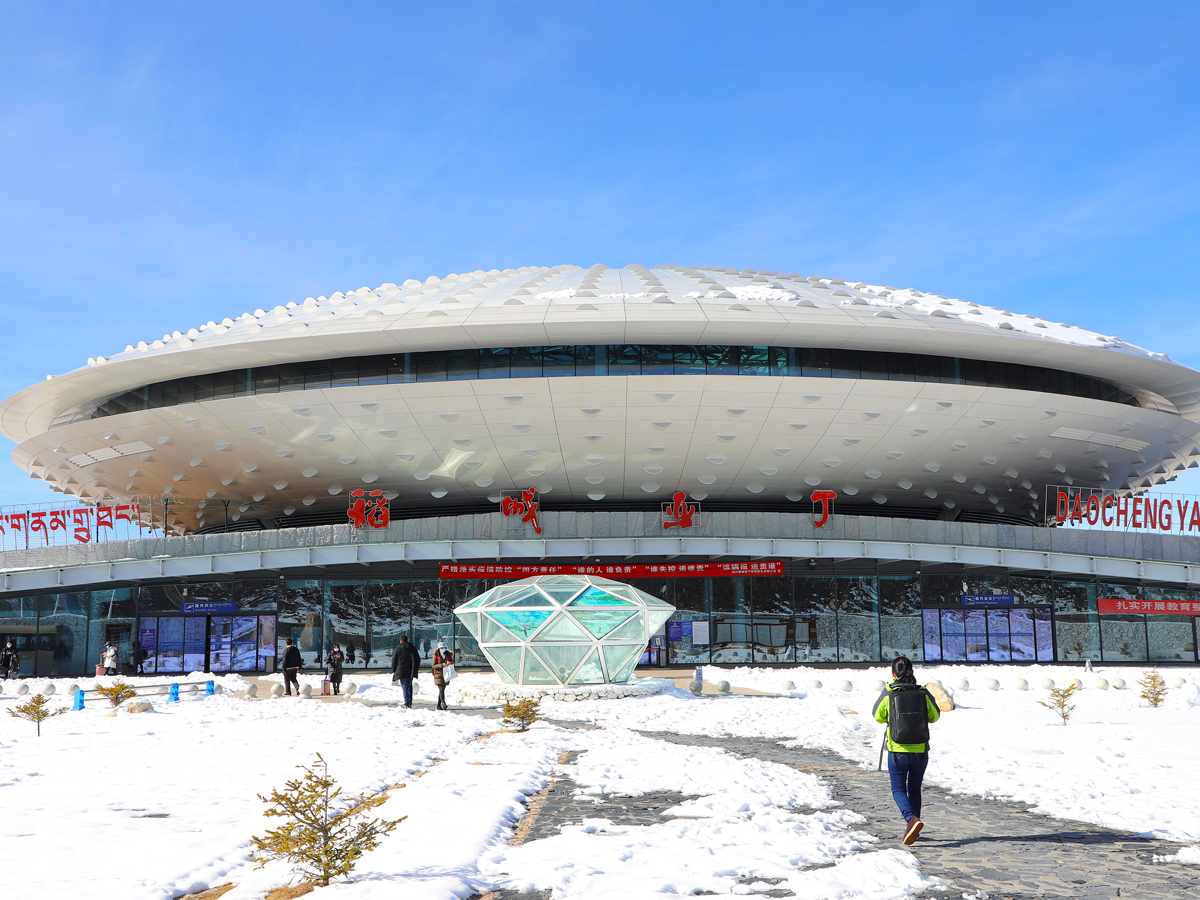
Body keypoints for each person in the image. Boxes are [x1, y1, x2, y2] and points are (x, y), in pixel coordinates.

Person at [872, 656, 940, 845]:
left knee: (898, 788)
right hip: (920, 750)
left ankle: (911, 819)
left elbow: (877, 716)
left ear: (893, 673)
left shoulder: (889, 692)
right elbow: (935, 716)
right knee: (915, 788)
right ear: (912, 671)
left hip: (897, 749)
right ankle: (914, 828)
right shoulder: (923, 692)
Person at [390, 635, 420, 708]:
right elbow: (418, 659)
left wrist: (394, 670)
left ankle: (407, 702)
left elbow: (394, 660)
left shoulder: (398, 648)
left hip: (401, 670)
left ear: (400, 640)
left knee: (405, 686)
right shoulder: (412, 648)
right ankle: (409, 701)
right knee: (409, 686)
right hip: (410, 669)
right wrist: (416, 668)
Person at [430, 640, 454, 710]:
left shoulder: (448, 655)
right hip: (438, 674)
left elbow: (453, 661)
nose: (443, 649)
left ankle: (438, 705)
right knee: (441, 689)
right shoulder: (436, 655)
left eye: (444, 648)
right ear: (439, 649)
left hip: (446, 674)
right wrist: (441, 665)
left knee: (442, 689)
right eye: (441, 648)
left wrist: (450, 663)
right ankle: (443, 703)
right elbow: (433, 665)